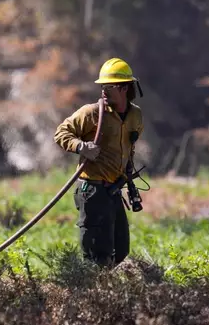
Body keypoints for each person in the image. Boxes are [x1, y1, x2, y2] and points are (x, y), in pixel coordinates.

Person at [54, 57, 144, 267]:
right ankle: (93, 293)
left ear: (124, 89)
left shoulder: (136, 116)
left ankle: (106, 292)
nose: (103, 90)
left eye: (109, 86)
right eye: (102, 85)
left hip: (114, 190)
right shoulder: (92, 113)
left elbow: (129, 147)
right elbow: (61, 133)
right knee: (97, 255)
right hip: (91, 190)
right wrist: (81, 147)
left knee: (120, 250)